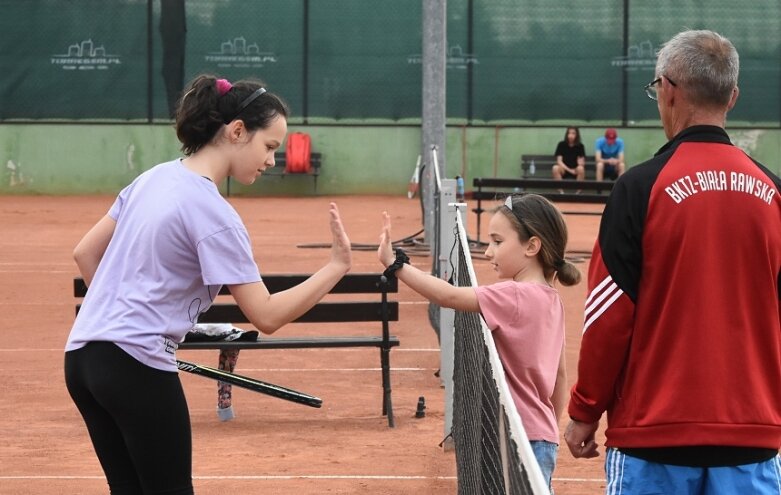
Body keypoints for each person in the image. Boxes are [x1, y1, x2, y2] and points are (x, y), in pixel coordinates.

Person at [64, 74, 352, 494]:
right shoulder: (215, 213)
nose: (272, 160)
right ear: (237, 131)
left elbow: (85, 254)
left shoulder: (152, 178)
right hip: (134, 366)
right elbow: (266, 315)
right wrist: (336, 266)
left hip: (82, 359)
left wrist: (123, 321)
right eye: (269, 146)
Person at [565, 29, 781, 494]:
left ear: (668, 90)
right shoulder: (774, 192)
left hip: (653, 439)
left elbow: (608, 315)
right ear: (733, 97)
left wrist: (585, 410)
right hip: (753, 439)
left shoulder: (640, 188)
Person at [378, 193, 581, 491]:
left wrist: (395, 264)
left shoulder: (514, 295)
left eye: (498, 242)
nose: (487, 252)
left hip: (514, 435)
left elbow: (447, 296)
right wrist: (548, 424)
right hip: (541, 436)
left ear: (532, 246)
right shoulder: (552, 300)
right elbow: (560, 376)